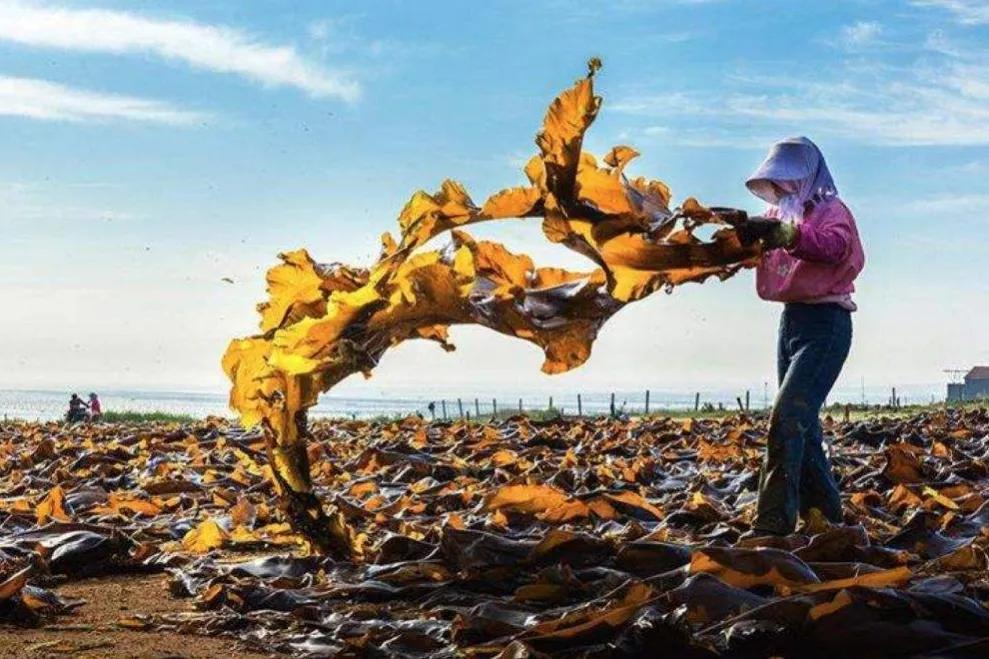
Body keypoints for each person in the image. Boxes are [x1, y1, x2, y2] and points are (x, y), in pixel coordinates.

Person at [736, 136, 865, 537]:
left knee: (787, 417)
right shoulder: (779, 214)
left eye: (789, 180)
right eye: (778, 181)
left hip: (826, 323)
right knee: (803, 424)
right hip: (791, 322)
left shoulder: (831, 210)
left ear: (808, 176)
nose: (783, 188)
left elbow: (837, 247)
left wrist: (792, 238)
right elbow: (762, 253)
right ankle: (826, 517)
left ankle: (772, 525)